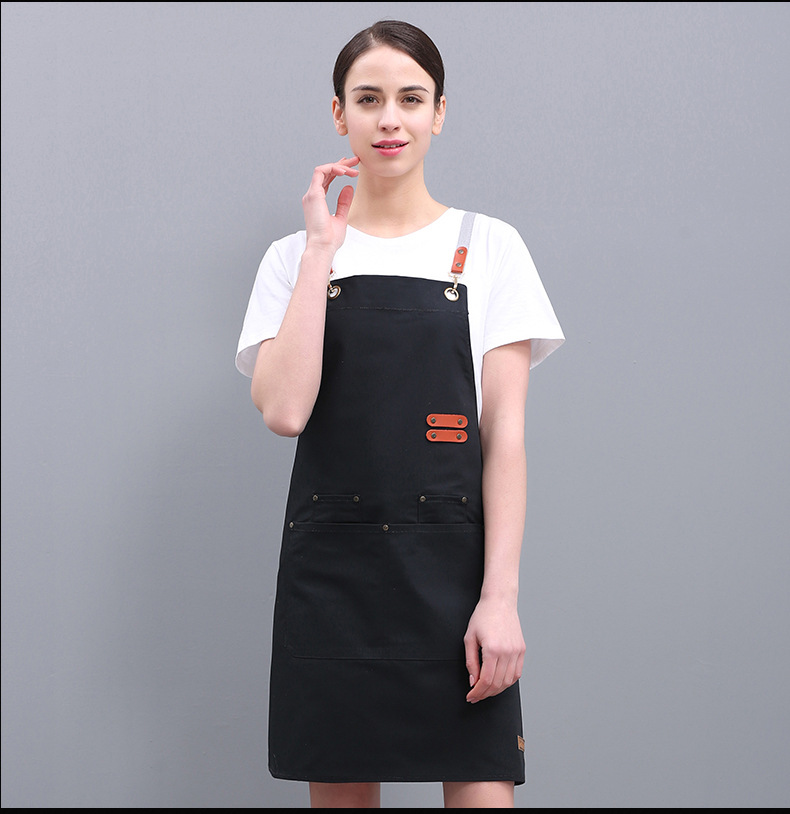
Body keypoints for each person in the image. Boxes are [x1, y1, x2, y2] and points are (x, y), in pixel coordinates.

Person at [235, 20, 564, 809]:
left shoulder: (490, 247)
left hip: (454, 575)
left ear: (439, 112)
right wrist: (321, 252)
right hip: (333, 577)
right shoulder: (292, 258)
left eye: (411, 99)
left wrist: (500, 598)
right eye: (369, 99)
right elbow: (285, 410)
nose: (390, 119)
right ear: (339, 114)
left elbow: (504, 440)